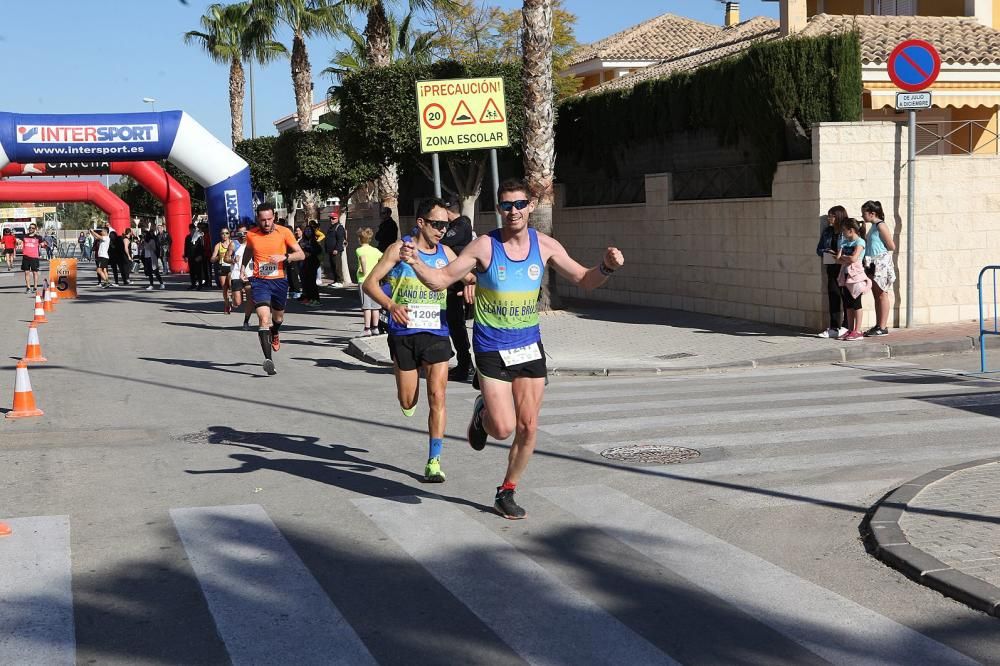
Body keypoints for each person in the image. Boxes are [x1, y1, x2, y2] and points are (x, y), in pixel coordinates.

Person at [400, 178, 625, 519]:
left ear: (530, 206)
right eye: (506, 206)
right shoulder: (484, 247)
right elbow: (442, 279)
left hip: (529, 346)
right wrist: (416, 263)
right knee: (503, 428)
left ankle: (506, 491)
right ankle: (483, 414)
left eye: (520, 205)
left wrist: (607, 266)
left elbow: (583, 278)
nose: (514, 212)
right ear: (499, 209)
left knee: (529, 426)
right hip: (491, 347)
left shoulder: (545, 245)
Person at [364, 198, 473, 484]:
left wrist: (473, 284)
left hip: (437, 331)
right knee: (408, 399)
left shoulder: (446, 252)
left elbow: (468, 275)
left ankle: (434, 461)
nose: (441, 230)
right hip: (404, 332)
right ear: (421, 223)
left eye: (445, 225)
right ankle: (403, 381)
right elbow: (370, 283)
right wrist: (390, 306)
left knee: (438, 396)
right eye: (436, 224)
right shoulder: (398, 250)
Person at [241, 202, 305, 375]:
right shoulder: (252, 234)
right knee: (263, 318)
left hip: (279, 282)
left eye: (269, 219)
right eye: (263, 220)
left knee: (278, 318)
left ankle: (275, 332)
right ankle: (269, 361)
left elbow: (301, 254)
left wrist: (285, 256)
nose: (267, 223)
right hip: (260, 282)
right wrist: (242, 267)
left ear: (274, 217)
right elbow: (248, 251)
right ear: (257, 219)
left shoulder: (284, 232)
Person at [440, 199, 476, 380]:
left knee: (455, 323)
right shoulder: (457, 225)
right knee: (452, 323)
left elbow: (444, 241)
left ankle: (465, 364)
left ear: (448, 211)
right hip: (452, 282)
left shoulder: (461, 224)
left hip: (457, 284)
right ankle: (463, 362)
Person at [861, 200, 896, 337]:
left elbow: (891, 246)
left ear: (872, 213)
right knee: (876, 295)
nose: (862, 216)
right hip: (872, 264)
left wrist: (880, 257)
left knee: (882, 294)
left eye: (864, 213)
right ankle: (878, 324)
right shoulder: (873, 227)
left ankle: (882, 326)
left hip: (880, 263)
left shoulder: (881, 226)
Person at [816, 205, 848, 339]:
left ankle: (847, 326)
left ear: (839, 216)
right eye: (828, 216)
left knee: (847, 298)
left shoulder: (846, 231)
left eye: (832, 216)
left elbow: (853, 248)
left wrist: (839, 254)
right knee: (833, 296)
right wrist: (827, 252)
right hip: (832, 267)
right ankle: (834, 327)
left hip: (845, 268)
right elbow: (819, 250)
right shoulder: (827, 231)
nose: (829, 218)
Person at [836, 218, 870, 341]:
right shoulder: (845, 242)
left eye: (844, 231)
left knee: (856, 303)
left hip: (856, 277)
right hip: (845, 275)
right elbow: (838, 259)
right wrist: (846, 257)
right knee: (848, 304)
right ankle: (850, 329)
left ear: (851, 230)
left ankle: (858, 330)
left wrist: (845, 257)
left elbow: (854, 259)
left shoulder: (860, 242)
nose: (842, 233)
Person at [355, 227, 383, 336]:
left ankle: (367, 328)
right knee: (375, 306)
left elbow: (362, 259)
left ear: (360, 239)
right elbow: (382, 258)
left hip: (364, 280)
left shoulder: (359, 250)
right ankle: (375, 327)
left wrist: (363, 269)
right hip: (375, 280)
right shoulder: (375, 250)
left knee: (366, 306)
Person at [228, 225, 255, 330]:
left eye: (245, 233)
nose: (242, 236)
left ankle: (246, 321)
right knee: (238, 302)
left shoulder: (252, 244)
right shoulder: (234, 244)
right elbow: (226, 258)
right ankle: (234, 298)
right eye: (240, 234)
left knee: (250, 299)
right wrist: (233, 260)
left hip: (249, 274)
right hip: (236, 274)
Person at [211, 228, 235, 312]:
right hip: (222, 268)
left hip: (231, 268)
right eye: (222, 233)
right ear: (220, 235)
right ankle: (227, 304)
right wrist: (218, 257)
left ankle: (234, 298)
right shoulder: (218, 245)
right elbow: (212, 259)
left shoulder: (233, 244)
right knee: (224, 288)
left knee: (231, 284)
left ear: (229, 234)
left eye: (226, 233)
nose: (224, 235)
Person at [299, 225, 323, 306]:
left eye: (309, 231)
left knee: (312, 282)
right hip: (305, 263)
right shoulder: (304, 240)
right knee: (307, 282)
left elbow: (318, 250)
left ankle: (316, 299)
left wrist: (307, 249)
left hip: (312, 263)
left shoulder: (313, 241)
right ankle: (310, 298)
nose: (307, 232)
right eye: (306, 231)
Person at [20, 224, 46, 294]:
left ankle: (35, 287)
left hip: (34, 257)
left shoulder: (38, 237)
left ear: (35, 229)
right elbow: (19, 242)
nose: (31, 229)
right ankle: (28, 287)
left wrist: (44, 244)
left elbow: (43, 244)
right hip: (26, 256)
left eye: (32, 228)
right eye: (30, 228)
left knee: (35, 272)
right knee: (26, 272)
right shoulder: (24, 236)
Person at [325, 212, 347, 287]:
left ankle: (340, 281)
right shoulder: (331, 227)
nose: (331, 220)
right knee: (333, 266)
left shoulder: (339, 227)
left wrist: (336, 249)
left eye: (333, 218)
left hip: (336, 251)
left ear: (337, 219)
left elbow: (340, 239)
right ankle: (335, 281)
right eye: (330, 218)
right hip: (330, 250)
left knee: (337, 266)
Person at [286, 221, 303, 299]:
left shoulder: (294, 239)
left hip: (295, 260)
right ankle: (292, 290)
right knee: (290, 276)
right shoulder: (290, 239)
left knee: (294, 276)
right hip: (288, 260)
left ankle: (297, 291)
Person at [184, 223, 205, 290]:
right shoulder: (188, 237)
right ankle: (193, 284)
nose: (192, 230)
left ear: (195, 229)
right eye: (191, 229)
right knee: (192, 271)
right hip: (190, 256)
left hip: (197, 256)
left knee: (198, 271)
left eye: (193, 229)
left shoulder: (199, 236)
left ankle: (200, 285)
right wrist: (185, 256)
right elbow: (186, 247)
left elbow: (202, 247)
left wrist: (201, 255)